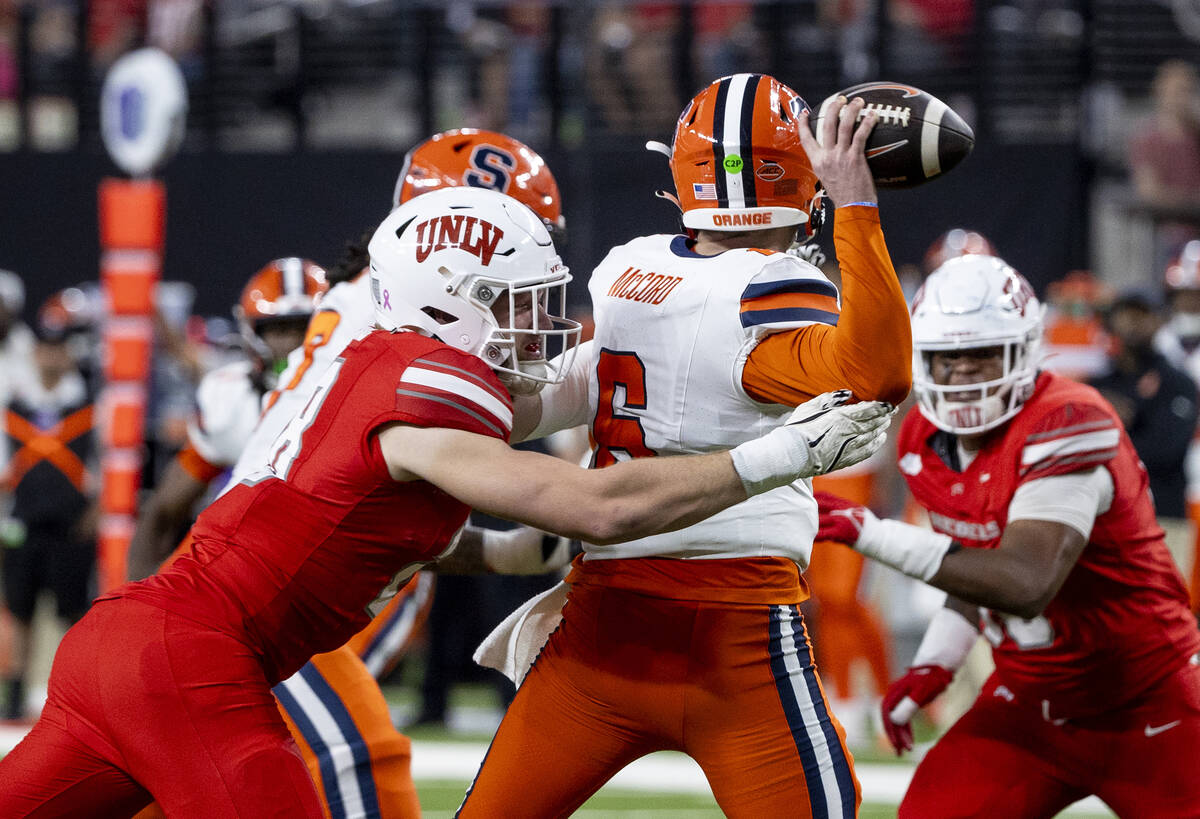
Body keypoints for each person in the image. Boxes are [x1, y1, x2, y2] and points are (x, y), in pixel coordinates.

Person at [0, 186, 893, 816]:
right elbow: (599, 509)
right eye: (513, 304)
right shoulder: (425, 385)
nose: (536, 325)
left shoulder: (369, 356)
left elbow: (343, 522)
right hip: (195, 659)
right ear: (447, 306)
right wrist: (782, 453)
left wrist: (497, 555)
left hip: (125, 642)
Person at [462, 73, 912, 817]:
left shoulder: (630, 268)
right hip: (736, 639)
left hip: (603, 631)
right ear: (806, 183)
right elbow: (880, 374)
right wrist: (857, 207)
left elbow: (559, 392)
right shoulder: (768, 285)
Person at [815, 254, 1200, 818]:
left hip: (1145, 699)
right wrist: (935, 665)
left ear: (1023, 351)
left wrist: (865, 530)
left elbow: (1023, 581)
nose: (965, 371)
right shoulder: (923, 438)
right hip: (1029, 702)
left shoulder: (1068, 419)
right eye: (948, 358)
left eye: (982, 354)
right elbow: (972, 567)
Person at [126, 257, 327, 582]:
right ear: (250, 332)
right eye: (277, 329)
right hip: (262, 569)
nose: (291, 344)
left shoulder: (359, 388)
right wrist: (132, 595)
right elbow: (162, 513)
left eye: (304, 327)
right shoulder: (231, 400)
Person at [0, 293, 97, 721]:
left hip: (72, 528)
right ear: (35, 352)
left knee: (74, 614)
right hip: (22, 525)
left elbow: (110, 464)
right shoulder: (13, 407)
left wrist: (96, 516)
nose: (52, 355)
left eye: (59, 347)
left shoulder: (91, 405)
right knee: (17, 611)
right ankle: (16, 694)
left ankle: (73, 696)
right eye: (45, 347)